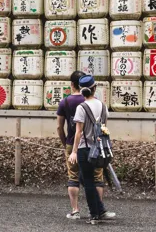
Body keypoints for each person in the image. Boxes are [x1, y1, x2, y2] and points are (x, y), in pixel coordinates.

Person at [56, 71, 106, 219]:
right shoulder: (96, 102)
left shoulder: (65, 102)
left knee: (73, 177)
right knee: (97, 178)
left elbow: (59, 127)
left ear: (72, 85)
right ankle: (97, 209)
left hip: (73, 144)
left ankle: (75, 210)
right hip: (95, 145)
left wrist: (66, 143)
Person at [68, 74, 117, 222]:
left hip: (85, 148)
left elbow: (78, 132)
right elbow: (104, 127)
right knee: (86, 178)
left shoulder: (81, 107)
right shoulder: (103, 106)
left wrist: (74, 151)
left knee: (87, 180)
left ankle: (94, 213)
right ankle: (100, 210)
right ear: (95, 88)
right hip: (99, 148)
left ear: (82, 90)